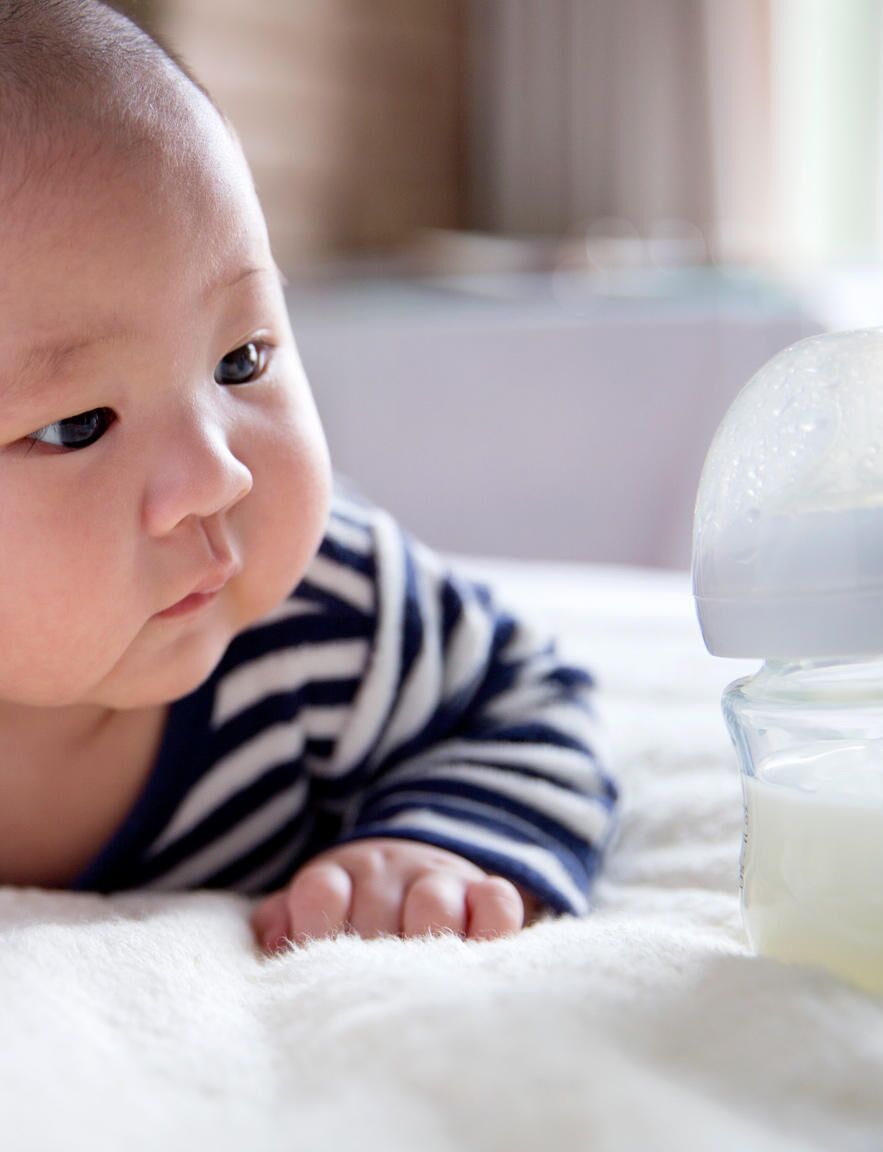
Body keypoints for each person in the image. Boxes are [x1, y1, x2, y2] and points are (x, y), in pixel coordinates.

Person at [0, 0, 618, 952]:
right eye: (80, 425)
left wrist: (434, 845)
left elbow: (527, 703)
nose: (219, 476)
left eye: (243, 359)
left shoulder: (331, 616)